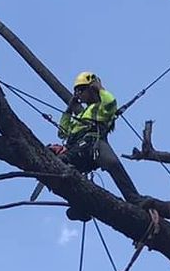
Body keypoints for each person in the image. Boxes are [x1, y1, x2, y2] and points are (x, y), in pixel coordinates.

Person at [53, 71, 139, 213]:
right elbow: (62, 132)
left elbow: (111, 102)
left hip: (90, 146)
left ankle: (134, 198)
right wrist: (69, 109)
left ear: (91, 88)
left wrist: (99, 88)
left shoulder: (101, 107)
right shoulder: (81, 114)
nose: (78, 95)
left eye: (81, 90)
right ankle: (81, 206)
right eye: (76, 92)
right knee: (67, 172)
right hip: (76, 150)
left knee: (113, 164)